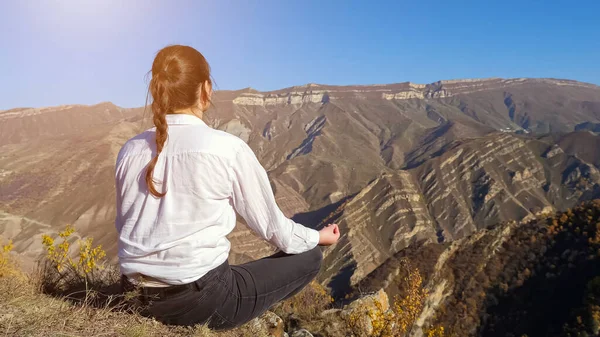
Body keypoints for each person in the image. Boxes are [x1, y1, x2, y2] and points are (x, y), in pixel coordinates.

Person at [114, 45, 340, 330]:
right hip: (199, 301)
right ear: (206, 89)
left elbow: (124, 224)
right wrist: (317, 236)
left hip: (132, 295)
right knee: (309, 257)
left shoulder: (130, 149)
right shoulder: (226, 148)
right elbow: (274, 230)